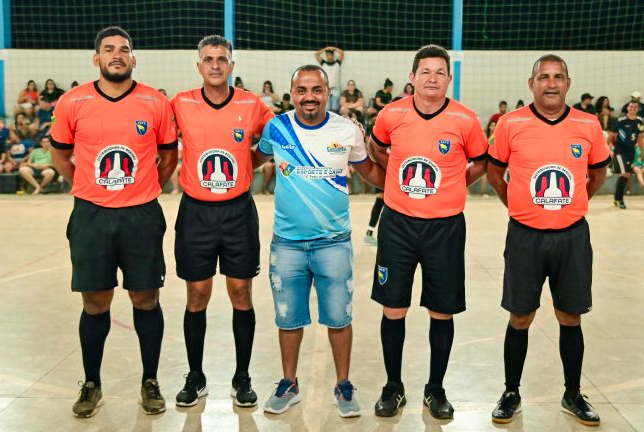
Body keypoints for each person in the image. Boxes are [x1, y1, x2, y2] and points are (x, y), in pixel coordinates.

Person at [50, 26, 178, 418]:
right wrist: (90, 188)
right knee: (95, 302)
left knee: (145, 298)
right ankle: (92, 383)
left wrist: (142, 188)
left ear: (133, 58)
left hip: (141, 215)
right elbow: (60, 157)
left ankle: (150, 380)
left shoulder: (154, 102)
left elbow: (168, 157)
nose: (117, 55)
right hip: (91, 215)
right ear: (96, 59)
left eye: (124, 49)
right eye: (109, 50)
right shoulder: (74, 101)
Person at [254, 65, 385, 418]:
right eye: (302, 90)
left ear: (329, 93)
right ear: (291, 92)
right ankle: (289, 383)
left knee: (339, 319)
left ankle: (343, 385)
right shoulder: (277, 128)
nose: (309, 96)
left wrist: (397, 185)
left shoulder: (346, 130)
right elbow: (255, 158)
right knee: (288, 319)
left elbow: (368, 170)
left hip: (334, 244)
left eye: (316, 90)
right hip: (287, 245)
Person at [487, 54, 610, 427]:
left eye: (558, 77)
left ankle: (572, 393)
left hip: (571, 236)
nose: (551, 83)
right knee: (520, 315)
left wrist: (572, 206)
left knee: (569, 316)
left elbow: (598, 174)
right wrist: (520, 207)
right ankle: (511, 392)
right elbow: (495, 174)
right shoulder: (511, 124)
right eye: (544, 77)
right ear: (532, 84)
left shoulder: (588, 125)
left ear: (568, 83)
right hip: (525, 235)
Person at [368, 45, 488, 419]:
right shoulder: (393, 113)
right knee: (394, 308)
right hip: (399, 224)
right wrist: (395, 174)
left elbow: (481, 160)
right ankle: (394, 386)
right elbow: (376, 146)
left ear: (449, 79)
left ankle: (435, 389)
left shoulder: (465, 119)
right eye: (426, 72)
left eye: (440, 72)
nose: (432, 78)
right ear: (412, 76)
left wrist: (454, 183)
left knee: (442, 311)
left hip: (445, 228)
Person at [170, 35, 274, 408]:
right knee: (197, 294)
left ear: (232, 66)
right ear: (199, 66)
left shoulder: (251, 104)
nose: (216, 64)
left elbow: (273, 140)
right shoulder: (180, 103)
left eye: (222, 59)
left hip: (237, 211)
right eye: (209, 59)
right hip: (196, 211)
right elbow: (159, 141)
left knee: (240, 293)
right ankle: (196, 375)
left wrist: (249, 164)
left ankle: (242, 376)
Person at [609, 100, 643, 209]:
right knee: (625, 174)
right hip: (620, 151)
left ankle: (616, 199)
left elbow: (640, 137)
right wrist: (606, 146)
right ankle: (620, 200)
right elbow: (612, 135)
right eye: (631, 106)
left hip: (631, 151)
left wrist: (642, 151)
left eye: (635, 107)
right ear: (627, 107)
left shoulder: (639, 120)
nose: (633, 108)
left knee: (625, 175)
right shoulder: (621, 120)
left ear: (638, 109)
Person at [315, 46, 344, 112]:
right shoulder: (323, 63)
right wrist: (325, 48)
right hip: (326, 88)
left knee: (335, 108)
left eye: (331, 55)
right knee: (326, 108)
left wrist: (334, 48)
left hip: (336, 88)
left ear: (333, 55)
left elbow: (342, 53)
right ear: (326, 56)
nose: (329, 56)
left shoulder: (337, 63)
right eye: (328, 55)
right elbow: (316, 54)